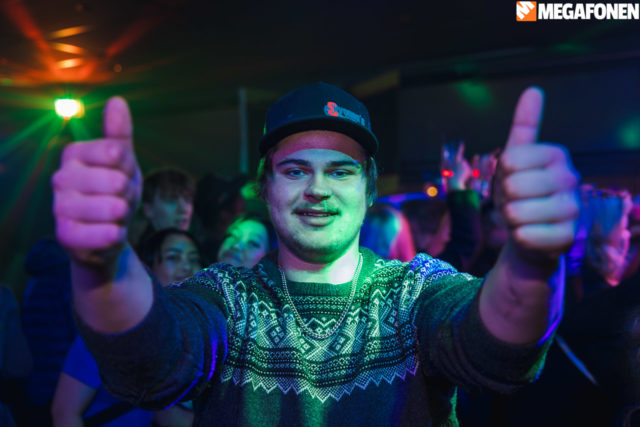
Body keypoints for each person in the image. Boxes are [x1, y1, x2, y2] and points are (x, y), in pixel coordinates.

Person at [51, 82, 579, 425]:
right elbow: (152, 360)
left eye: (341, 171)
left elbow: (497, 350)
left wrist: (533, 263)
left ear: (369, 189)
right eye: (296, 170)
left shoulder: (413, 291)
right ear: (266, 188)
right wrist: (104, 266)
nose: (318, 189)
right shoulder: (227, 296)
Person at [129, 168, 196, 250]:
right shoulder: (136, 254)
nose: (184, 209)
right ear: (148, 209)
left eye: (187, 200)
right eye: (171, 200)